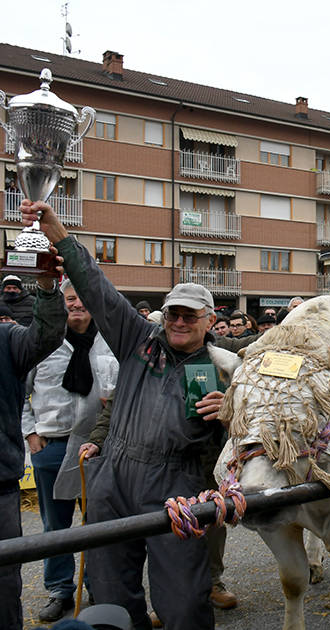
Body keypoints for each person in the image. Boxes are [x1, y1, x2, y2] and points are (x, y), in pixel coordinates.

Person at [21, 198, 236, 630]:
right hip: (114, 479)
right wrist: (58, 233)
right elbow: (97, 287)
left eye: (189, 316)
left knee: (184, 599)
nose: (178, 321)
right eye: (173, 312)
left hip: (179, 485)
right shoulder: (138, 338)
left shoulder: (221, 366)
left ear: (208, 319)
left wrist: (230, 413)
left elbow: (242, 442)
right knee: (111, 593)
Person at [21, 280, 118, 622]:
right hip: (51, 445)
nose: (77, 304)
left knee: (97, 522)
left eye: (82, 297)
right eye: (70, 298)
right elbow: (20, 388)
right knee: (55, 525)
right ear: (61, 302)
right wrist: (30, 432)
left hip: (97, 448)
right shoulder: (42, 342)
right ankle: (60, 589)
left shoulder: (112, 341)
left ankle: (94, 585)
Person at [0, 259, 66, 630]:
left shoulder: (7, 338)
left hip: (0, 485)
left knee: (4, 583)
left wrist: (45, 287)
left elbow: (46, 335)